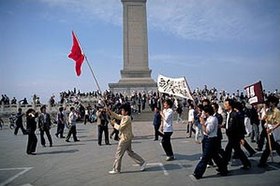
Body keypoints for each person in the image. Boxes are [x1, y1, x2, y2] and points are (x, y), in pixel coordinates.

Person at [107, 103, 146, 174]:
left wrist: (114, 124)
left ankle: (116, 169)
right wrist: (110, 111)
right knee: (130, 152)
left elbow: (120, 128)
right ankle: (142, 162)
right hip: (127, 138)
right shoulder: (125, 117)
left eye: (122, 110)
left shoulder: (127, 118)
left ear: (126, 111)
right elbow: (117, 116)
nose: (121, 111)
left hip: (124, 139)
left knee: (118, 154)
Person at [192, 105, 228, 179]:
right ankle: (223, 169)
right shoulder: (208, 119)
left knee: (205, 157)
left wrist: (202, 123)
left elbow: (207, 131)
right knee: (215, 156)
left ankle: (198, 173)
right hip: (207, 138)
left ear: (207, 112)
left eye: (204, 112)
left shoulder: (212, 119)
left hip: (210, 139)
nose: (203, 113)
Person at [223, 99, 251, 169]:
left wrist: (241, 137)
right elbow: (228, 124)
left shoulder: (235, 114)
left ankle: (223, 167)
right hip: (230, 135)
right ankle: (247, 163)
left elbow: (240, 126)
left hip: (234, 135)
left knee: (228, 151)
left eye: (226, 104)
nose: (225, 105)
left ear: (230, 105)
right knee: (238, 150)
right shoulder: (228, 114)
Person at [258, 95, 280, 167]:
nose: (269, 103)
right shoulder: (268, 110)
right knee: (273, 146)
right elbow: (264, 119)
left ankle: (262, 162)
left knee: (270, 147)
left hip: (274, 130)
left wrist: (272, 128)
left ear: (274, 103)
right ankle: (262, 162)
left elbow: (279, 122)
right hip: (268, 130)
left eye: (270, 102)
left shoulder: (277, 111)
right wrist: (264, 116)